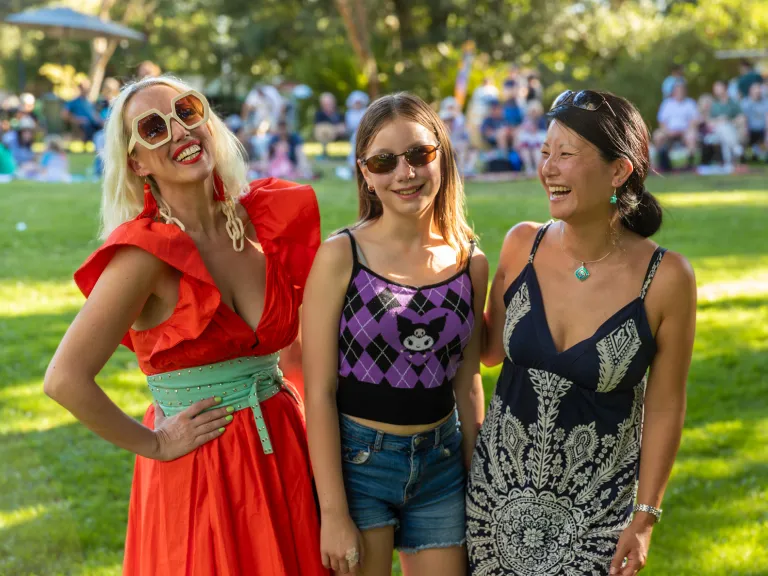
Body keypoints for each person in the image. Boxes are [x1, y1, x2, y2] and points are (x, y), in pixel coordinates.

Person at [43, 75, 330, 576]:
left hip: (285, 448)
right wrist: (155, 443)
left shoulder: (263, 223)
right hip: (204, 471)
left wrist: (325, 465)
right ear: (135, 161)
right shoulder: (143, 256)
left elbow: (296, 356)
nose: (179, 131)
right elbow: (64, 378)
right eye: (154, 127)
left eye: (188, 111)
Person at [466, 90, 696, 576]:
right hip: (492, 507)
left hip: (597, 522)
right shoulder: (519, 245)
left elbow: (666, 404)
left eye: (566, 154)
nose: (548, 167)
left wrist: (646, 516)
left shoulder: (666, 278)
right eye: (545, 151)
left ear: (619, 171)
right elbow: (483, 352)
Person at [303, 92, 488, 576]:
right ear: (365, 172)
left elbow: (467, 384)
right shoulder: (341, 255)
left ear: (441, 156)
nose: (405, 173)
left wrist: (481, 484)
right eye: (384, 161)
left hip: (442, 466)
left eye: (419, 154)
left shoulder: (470, 262)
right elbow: (318, 393)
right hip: (359, 465)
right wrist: (333, 512)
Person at [654, 83, 699, 171]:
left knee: (692, 137)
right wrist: (668, 131)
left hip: (685, 131)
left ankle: (689, 165)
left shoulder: (690, 103)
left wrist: (685, 130)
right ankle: (660, 164)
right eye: (677, 90)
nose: (680, 92)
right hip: (669, 131)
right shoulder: (667, 104)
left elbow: (694, 121)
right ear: (673, 92)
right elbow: (662, 122)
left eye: (681, 90)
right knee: (657, 136)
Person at [314, 92, 346, 158]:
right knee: (324, 132)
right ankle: (324, 154)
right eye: (326, 103)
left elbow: (342, 126)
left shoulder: (339, 113)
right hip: (325, 134)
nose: (328, 105)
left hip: (338, 134)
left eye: (329, 103)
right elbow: (318, 127)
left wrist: (333, 128)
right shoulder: (319, 114)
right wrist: (332, 129)